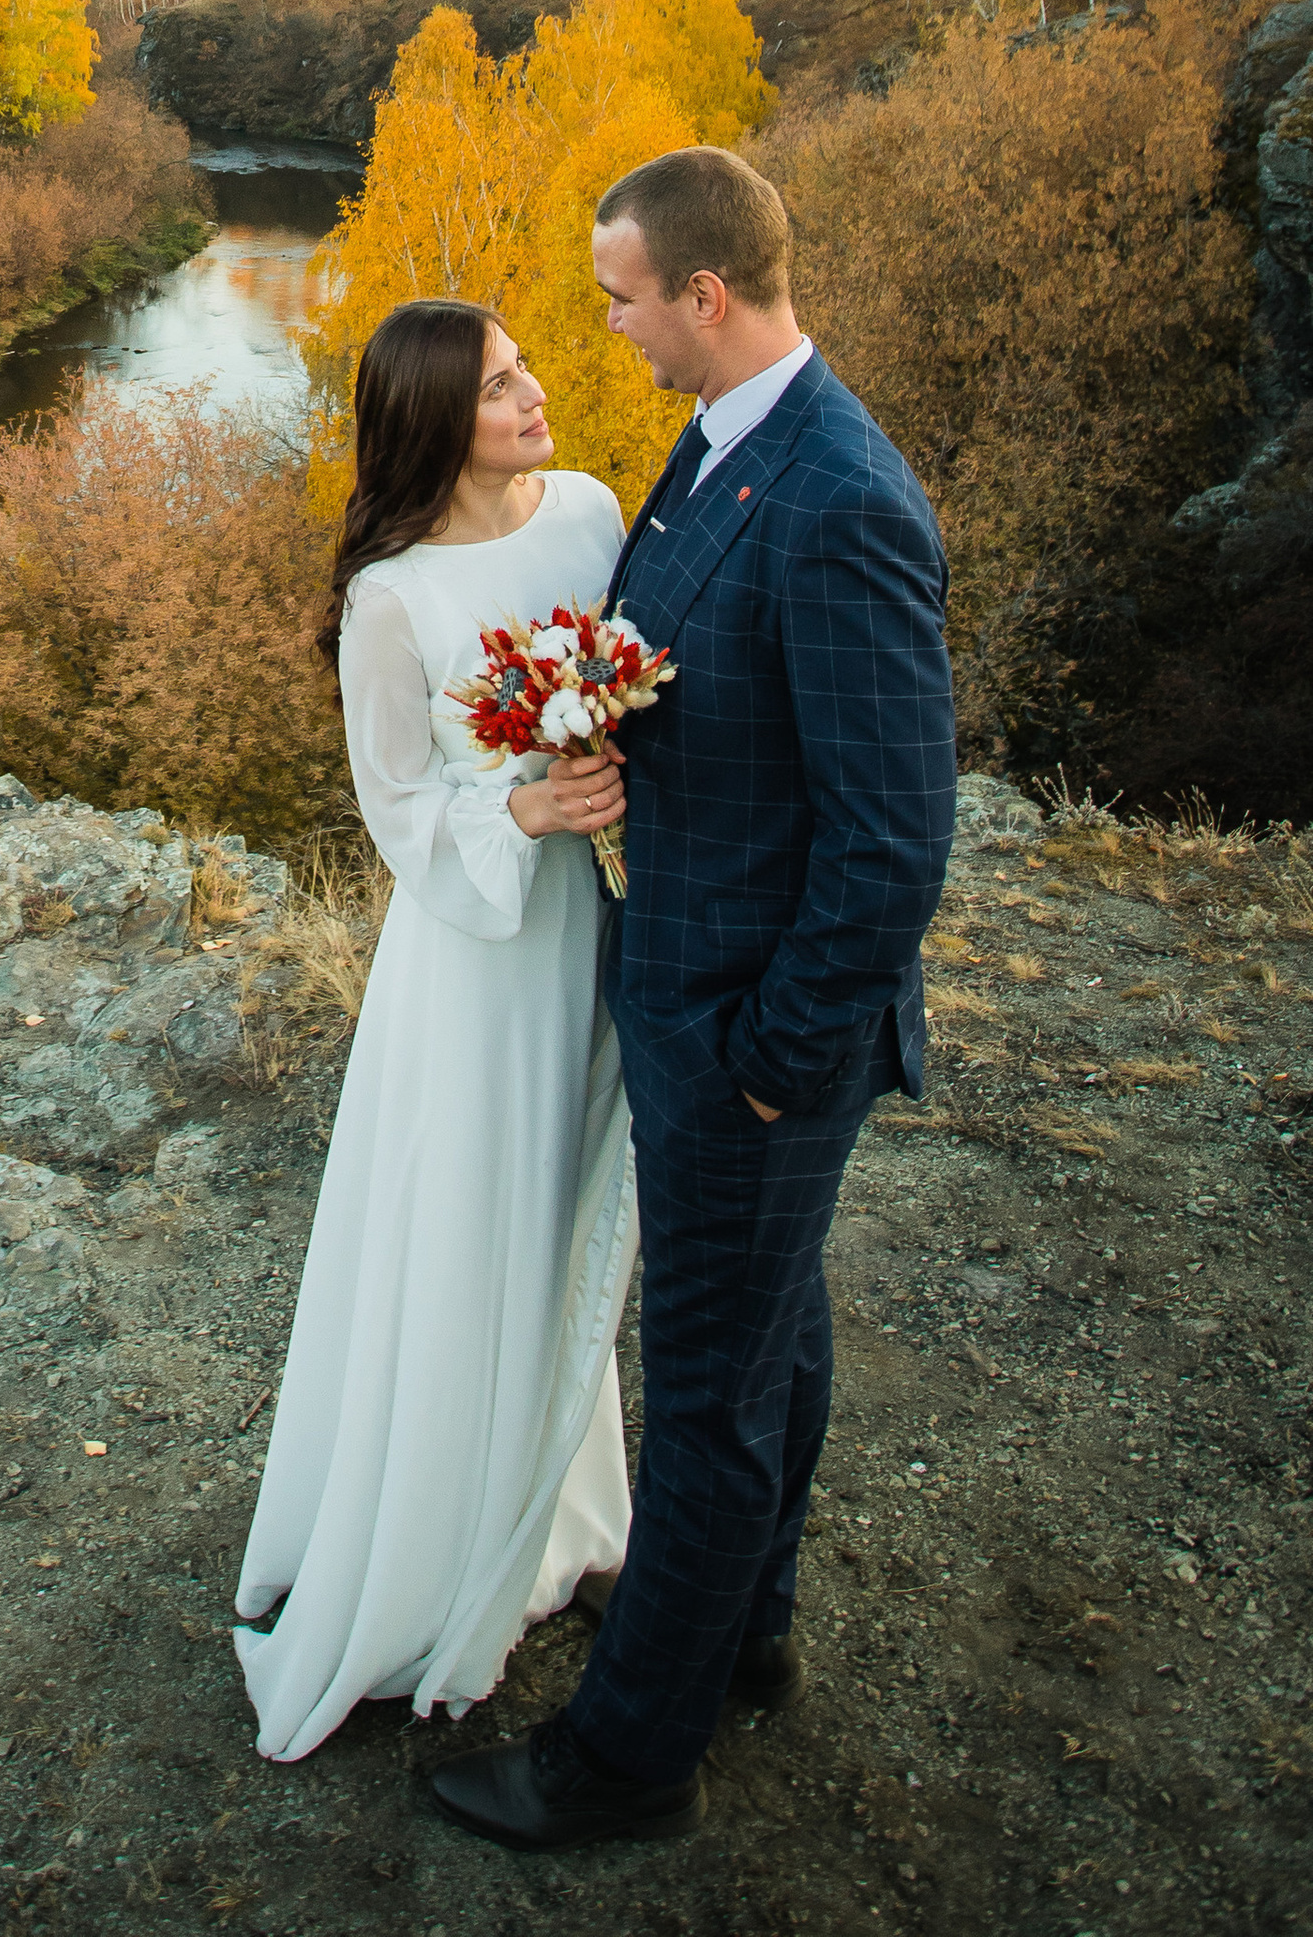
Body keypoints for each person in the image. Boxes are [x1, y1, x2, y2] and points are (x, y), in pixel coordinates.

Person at [431, 147, 956, 1854]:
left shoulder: (842, 495)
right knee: (771, 1337)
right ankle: (745, 1636)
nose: (610, 325)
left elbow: (892, 842)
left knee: (712, 1389)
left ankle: (625, 1763)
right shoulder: (729, 441)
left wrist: (769, 1063)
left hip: (751, 1034)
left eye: (624, 297)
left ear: (705, 298)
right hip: (699, 996)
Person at [234, 298, 638, 1762]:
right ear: (431, 423)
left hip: (589, 936)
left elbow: (643, 679)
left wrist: (619, 756)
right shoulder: (393, 599)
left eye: (527, 368)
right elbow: (396, 808)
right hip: (474, 961)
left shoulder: (591, 509)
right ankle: (428, 1555)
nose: (535, 396)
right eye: (500, 387)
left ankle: (563, 1509)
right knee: (470, 1220)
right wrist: (524, 804)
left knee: (563, 1208)